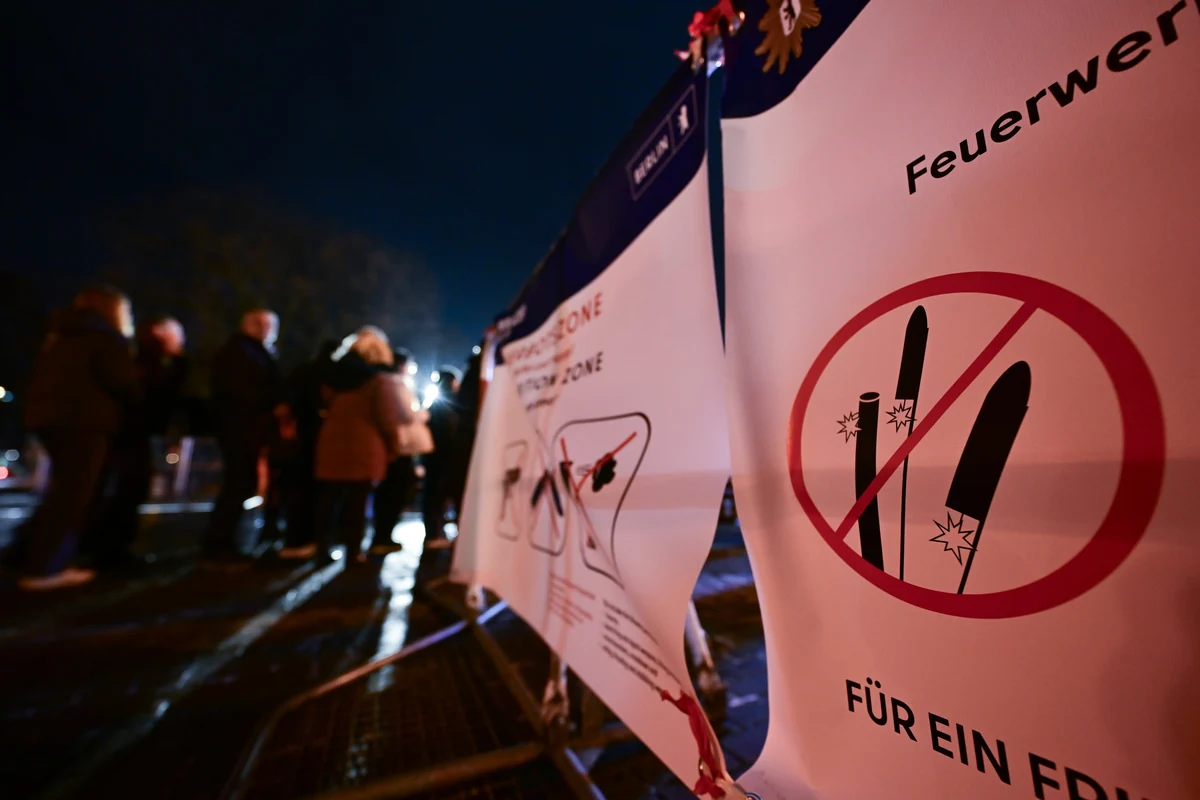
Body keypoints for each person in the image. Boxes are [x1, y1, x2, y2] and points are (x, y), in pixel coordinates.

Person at [18, 286, 140, 590]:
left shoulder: (61, 335)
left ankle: (27, 557)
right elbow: (123, 382)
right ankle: (45, 567)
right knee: (73, 495)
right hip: (85, 421)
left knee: (62, 491)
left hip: (50, 418)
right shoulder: (105, 338)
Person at [84, 316, 189, 572]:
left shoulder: (138, 356)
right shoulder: (147, 361)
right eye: (176, 334)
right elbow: (153, 396)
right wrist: (178, 365)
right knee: (128, 489)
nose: (181, 340)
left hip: (129, 432)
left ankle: (104, 548)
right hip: (130, 433)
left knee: (124, 489)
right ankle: (111, 552)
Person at [313, 327, 404, 564]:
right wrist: (393, 445)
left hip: (331, 440)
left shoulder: (332, 376)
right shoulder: (378, 380)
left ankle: (322, 549)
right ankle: (353, 552)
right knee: (358, 501)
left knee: (329, 499)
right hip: (365, 445)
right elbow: (386, 417)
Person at [204, 309, 282, 566]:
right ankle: (219, 545)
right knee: (237, 485)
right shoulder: (241, 353)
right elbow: (240, 392)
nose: (269, 330)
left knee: (241, 485)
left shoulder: (247, 352)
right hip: (241, 429)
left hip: (244, 429)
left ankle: (223, 543)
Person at [277, 340, 338, 560]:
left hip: (300, 437)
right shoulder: (331, 376)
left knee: (297, 490)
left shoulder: (304, 371)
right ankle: (310, 540)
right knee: (315, 492)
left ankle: (293, 538)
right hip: (317, 437)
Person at [368, 348, 427, 556]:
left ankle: (382, 535)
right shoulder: (395, 384)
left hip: (394, 444)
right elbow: (406, 414)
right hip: (399, 446)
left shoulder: (383, 381)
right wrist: (421, 414)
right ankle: (382, 537)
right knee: (394, 491)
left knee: (390, 491)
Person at [421, 365, 462, 548]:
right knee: (447, 495)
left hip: (433, 457)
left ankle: (434, 532)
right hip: (448, 458)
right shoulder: (456, 405)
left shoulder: (433, 406)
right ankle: (441, 533)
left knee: (432, 496)